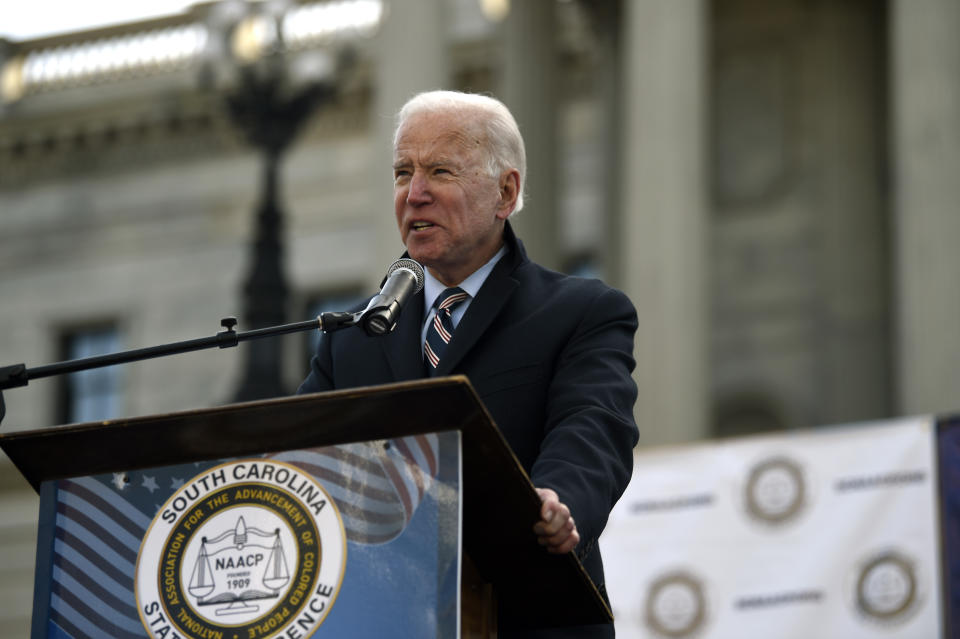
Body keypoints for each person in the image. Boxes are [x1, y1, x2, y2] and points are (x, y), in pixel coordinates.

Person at [299, 90, 638, 637]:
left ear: (505, 192)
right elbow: (299, 456)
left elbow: (593, 425)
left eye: (439, 171)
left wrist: (555, 498)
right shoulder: (352, 337)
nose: (415, 194)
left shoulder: (581, 312)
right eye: (402, 172)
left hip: (523, 615)